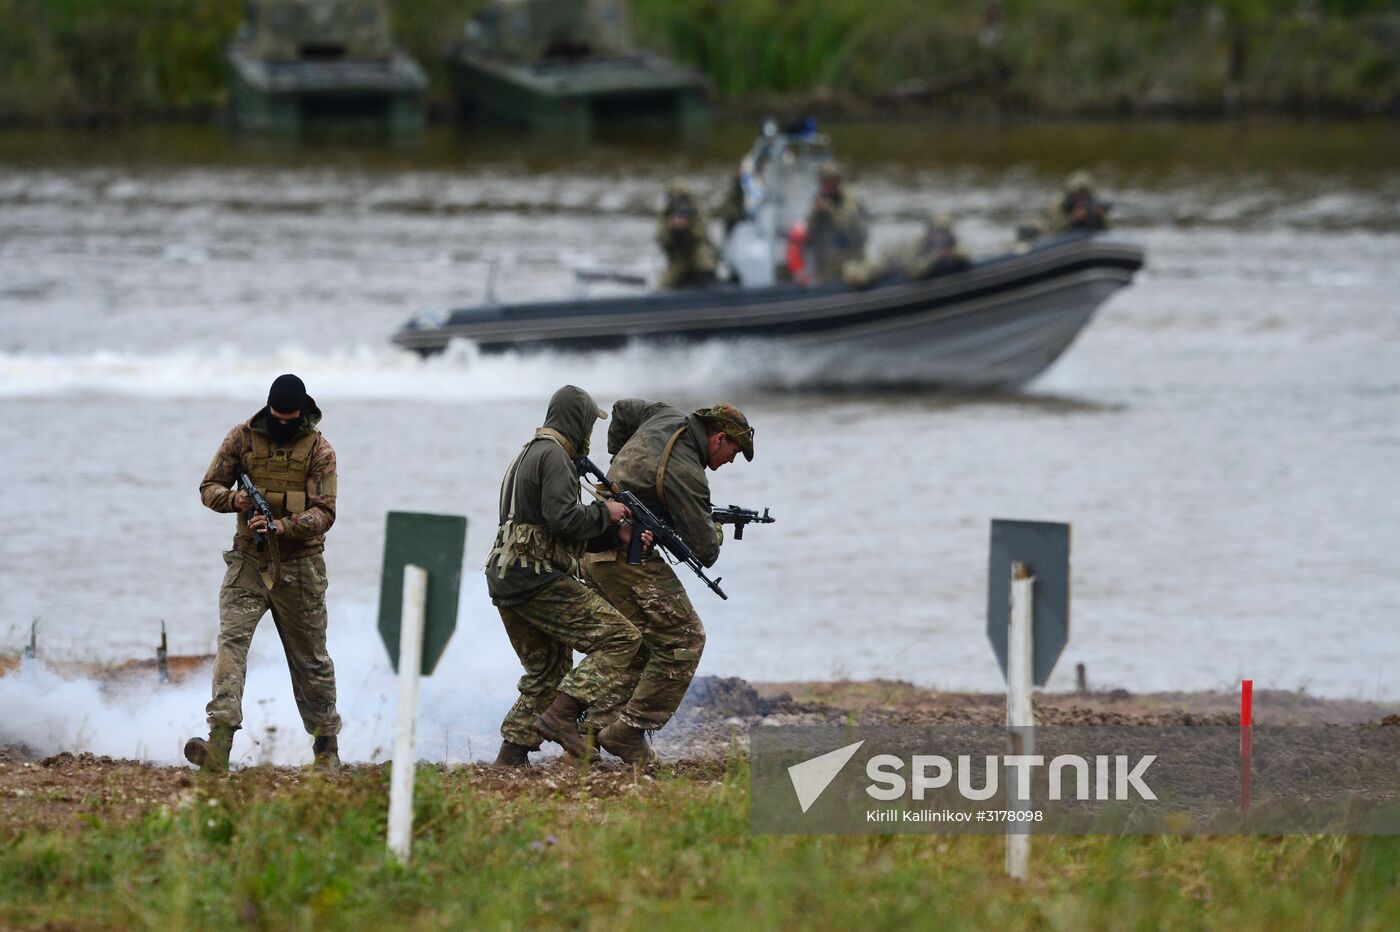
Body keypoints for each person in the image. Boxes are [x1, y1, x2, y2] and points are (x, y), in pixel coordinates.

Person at [580, 401, 755, 767]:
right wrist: (717, 529)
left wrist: (619, 468)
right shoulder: (687, 471)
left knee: (635, 641)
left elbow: (623, 409)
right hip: (622, 557)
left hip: (592, 543)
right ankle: (627, 732)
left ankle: (591, 732)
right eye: (733, 452)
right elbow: (705, 550)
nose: (731, 461)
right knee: (685, 639)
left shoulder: (663, 414)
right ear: (718, 437)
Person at [185, 374, 342, 773]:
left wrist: (282, 527)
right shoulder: (242, 438)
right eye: (277, 417)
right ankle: (219, 742)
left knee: (310, 660)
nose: (283, 425)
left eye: (290, 419)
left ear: (302, 413)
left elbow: (325, 512)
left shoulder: (320, 451)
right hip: (248, 561)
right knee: (231, 646)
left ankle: (326, 751)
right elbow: (208, 487)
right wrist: (236, 499)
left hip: (300, 566)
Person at [484, 385, 644, 766]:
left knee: (548, 671)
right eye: (589, 424)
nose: (590, 435)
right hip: (534, 578)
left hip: (509, 577)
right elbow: (564, 518)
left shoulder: (529, 454)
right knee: (622, 638)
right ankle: (561, 716)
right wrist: (610, 513)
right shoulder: (555, 456)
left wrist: (610, 533)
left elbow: (552, 531)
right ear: (578, 422)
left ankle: (511, 755)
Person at [843, 212, 971, 288]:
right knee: (863, 277)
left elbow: (966, 255)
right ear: (931, 231)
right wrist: (935, 256)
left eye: (945, 232)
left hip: (903, 257)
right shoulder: (919, 242)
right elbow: (914, 271)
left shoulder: (950, 242)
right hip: (894, 257)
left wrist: (951, 253)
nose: (941, 237)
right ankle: (849, 268)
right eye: (938, 232)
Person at [804, 161, 868, 284]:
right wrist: (816, 213)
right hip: (827, 264)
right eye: (824, 181)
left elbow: (848, 225)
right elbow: (811, 230)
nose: (827, 185)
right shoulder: (820, 198)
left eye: (831, 180)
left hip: (851, 262)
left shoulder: (849, 198)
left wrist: (829, 210)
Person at [656, 179, 719, 289]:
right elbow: (662, 239)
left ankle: (708, 283)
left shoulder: (698, 209)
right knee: (662, 286)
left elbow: (701, 232)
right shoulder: (666, 213)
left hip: (698, 254)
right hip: (679, 257)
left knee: (704, 259)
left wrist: (687, 228)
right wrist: (672, 230)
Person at [1045, 170, 1111, 234]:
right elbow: (1055, 228)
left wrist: (1099, 216)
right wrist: (1073, 218)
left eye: (1085, 194)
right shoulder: (1059, 204)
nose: (1082, 198)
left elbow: (1107, 228)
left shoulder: (1092, 203)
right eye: (1078, 193)